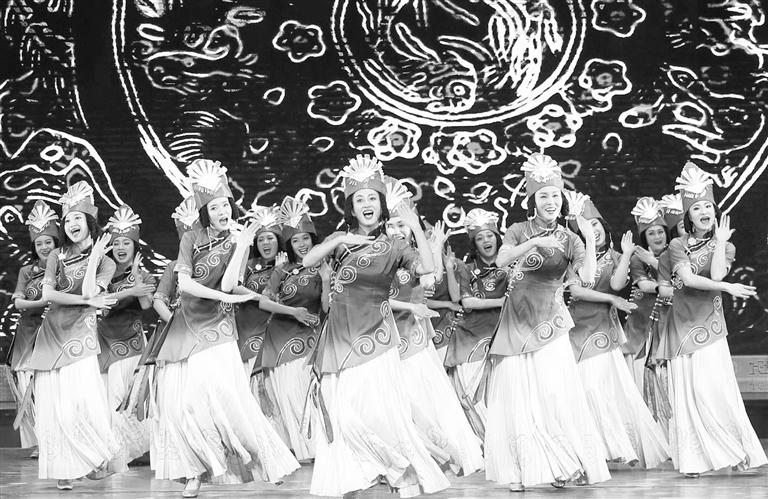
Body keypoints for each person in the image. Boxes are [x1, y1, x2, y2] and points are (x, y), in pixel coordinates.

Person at [303, 154, 449, 497]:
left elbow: (426, 268)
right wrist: (338, 241)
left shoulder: (395, 244)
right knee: (344, 417)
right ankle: (356, 479)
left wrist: (415, 227)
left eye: (372, 198)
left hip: (377, 339)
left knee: (379, 415)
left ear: (381, 205)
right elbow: (308, 260)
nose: (366, 204)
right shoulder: (341, 238)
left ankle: (401, 472)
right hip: (338, 338)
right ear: (351, 208)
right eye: (359, 200)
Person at [151, 159, 299, 498]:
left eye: (225, 205)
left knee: (227, 397)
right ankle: (194, 472)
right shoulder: (191, 237)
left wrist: (243, 245)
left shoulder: (236, 240)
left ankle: (263, 459)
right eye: (215, 207)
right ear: (205, 211)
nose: (222, 211)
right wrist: (224, 297)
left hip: (217, 328)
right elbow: (186, 284)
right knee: (184, 407)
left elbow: (231, 283)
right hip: (185, 328)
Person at [484, 153, 610, 491]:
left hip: (551, 323)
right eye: (543, 196)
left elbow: (586, 277)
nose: (550, 201)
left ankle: (562, 463)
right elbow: (501, 259)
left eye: (555, 195)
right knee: (516, 397)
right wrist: (536, 241)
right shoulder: (518, 230)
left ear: (562, 199)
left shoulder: (570, 238)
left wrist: (588, 238)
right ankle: (519, 471)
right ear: (533, 201)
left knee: (554, 393)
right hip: (515, 321)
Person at [660, 161, 767, 477]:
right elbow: (688, 279)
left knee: (715, 389)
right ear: (689, 216)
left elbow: (718, 273)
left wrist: (720, 242)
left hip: (711, 326)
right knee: (689, 392)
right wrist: (728, 287)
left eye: (708, 205)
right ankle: (694, 460)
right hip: (682, 326)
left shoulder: (726, 245)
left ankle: (734, 450)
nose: (704, 211)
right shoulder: (677, 244)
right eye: (697, 208)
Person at [23, 181, 119, 490]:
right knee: (54, 406)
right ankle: (63, 469)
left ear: (89, 221)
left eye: (77, 218)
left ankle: (91, 459)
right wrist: (88, 302)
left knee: (82, 402)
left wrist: (94, 259)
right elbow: (49, 294)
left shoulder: (107, 261)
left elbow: (91, 291)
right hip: (51, 334)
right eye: (67, 220)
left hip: (81, 336)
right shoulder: (56, 255)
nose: (71, 224)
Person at [385, 180, 484, 477]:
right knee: (398, 401)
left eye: (402, 225)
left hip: (415, 338)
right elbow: (372, 299)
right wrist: (410, 306)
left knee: (425, 398)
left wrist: (435, 247)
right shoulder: (378, 257)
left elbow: (430, 280)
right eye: (390, 225)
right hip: (385, 338)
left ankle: (437, 455)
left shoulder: (412, 256)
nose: (396, 230)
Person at [565, 192, 670, 469]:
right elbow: (576, 290)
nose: (593, 231)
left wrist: (624, 256)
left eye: (596, 225)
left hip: (603, 329)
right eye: (586, 228)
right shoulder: (575, 258)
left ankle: (616, 446)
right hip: (575, 327)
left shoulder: (615, 256)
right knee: (583, 390)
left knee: (602, 388)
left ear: (603, 227)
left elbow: (617, 284)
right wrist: (612, 299)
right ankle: (594, 450)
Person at [258, 196, 329, 461]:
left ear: (313, 239)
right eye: (295, 240)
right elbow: (264, 302)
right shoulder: (282, 270)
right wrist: (293, 312)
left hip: (311, 338)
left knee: (310, 393)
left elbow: (327, 307)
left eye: (305, 238)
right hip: (280, 338)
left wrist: (326, 279)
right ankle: (303, 451)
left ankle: (320, 449)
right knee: (288, 395)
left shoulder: (324, 266)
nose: (301, 245)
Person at [98, 205, 155, 471]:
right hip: (105, 341)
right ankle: (115, 453)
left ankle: (132, 451)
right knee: (110, 399)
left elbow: (146, 305)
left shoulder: (143, 273)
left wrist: (136, 276)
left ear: (134, 246)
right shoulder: (104, 273)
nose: (121, 247)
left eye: (126, 243)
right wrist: (130, 289)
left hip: (132, 342)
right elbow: (103, 306)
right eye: (117, 242)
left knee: (129, 399)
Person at [444, 208, 508, 438]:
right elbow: (467, 301)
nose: (486, 241)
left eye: (489, 235)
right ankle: (488, 443)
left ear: (497, 237)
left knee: (503, 396)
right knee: (470, 397)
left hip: (505, 338)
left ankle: (504, 442)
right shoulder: (467, 269)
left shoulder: (512, 266)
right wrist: (502, 302)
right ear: (474, 244)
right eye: (480, 238)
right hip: (471, 337)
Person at [8, 201, 60, 458]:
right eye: (39, 243)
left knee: (53, 388)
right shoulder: (26, 271)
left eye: (48, 242)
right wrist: (43, 302)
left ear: (57, 242)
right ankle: (40, 441)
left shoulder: (64, 267)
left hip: (55, 334)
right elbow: (18, 302)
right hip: (28, 334)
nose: (44, 247)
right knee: (29, 388)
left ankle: (56, 439)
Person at [623, 198, 669, 391]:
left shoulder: (676, 254)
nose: (657, 236)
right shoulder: (637, 258)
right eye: (651, 233)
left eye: (660, 232)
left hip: (669, 324)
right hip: (642, 324)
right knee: (639, 378)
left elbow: (680, 281)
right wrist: (662, 288)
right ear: (644, 237)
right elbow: (644, 285)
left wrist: (655, 262)